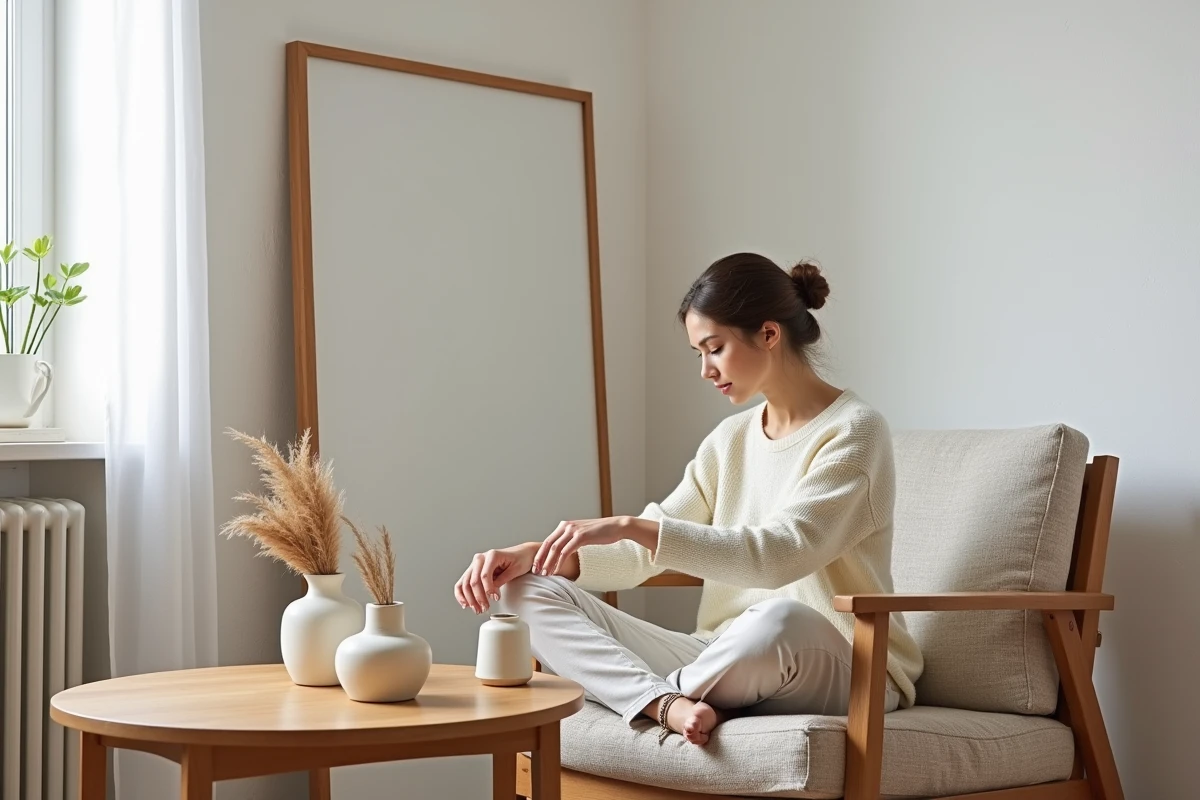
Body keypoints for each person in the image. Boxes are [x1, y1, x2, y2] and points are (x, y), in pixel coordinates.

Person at [453, 252, 923, 745]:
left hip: (844, 664)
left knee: (779, 619)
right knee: (522, 590)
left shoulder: (854, 432)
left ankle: (638, 693)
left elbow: (778, 557)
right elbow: (639, 557)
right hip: (720, 655)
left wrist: (631, 524)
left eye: (714, 348)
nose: (705, 370)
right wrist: (534, 556)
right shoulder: (729, 439)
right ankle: (664, 703)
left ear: (768, 334)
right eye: (699, 353)